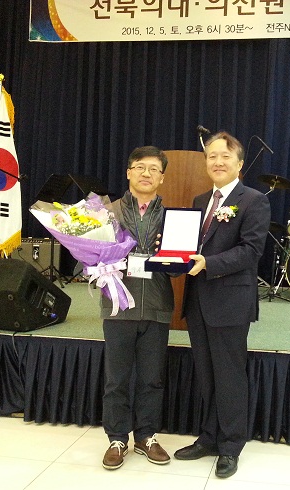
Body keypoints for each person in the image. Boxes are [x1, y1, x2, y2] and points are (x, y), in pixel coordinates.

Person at [174, 132, 271, 478]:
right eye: (212, 156)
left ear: (239, 164)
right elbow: (190, 245)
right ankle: (209, 437)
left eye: (225, 156)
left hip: (230, 301)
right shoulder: (201, 200)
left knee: (229, 375)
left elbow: (251, 251)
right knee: (206, 373)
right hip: (197, 300)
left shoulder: (253, 200)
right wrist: (170, 251)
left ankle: (231, 445)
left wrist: (209, 264)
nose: (217, 162)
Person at [101, 146, 173, 470]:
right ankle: (117, 438)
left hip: (157, 305)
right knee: (116, 379)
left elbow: (177, 269)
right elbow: (86, 260)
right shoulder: (106, 213)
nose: (146, 173)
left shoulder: (173, 218)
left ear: (162, 177)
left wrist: (174, 257)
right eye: (140, 167)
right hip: (118, 306)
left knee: (152, 378)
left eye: (154, 169)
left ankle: (146, 436)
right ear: (129, 172)